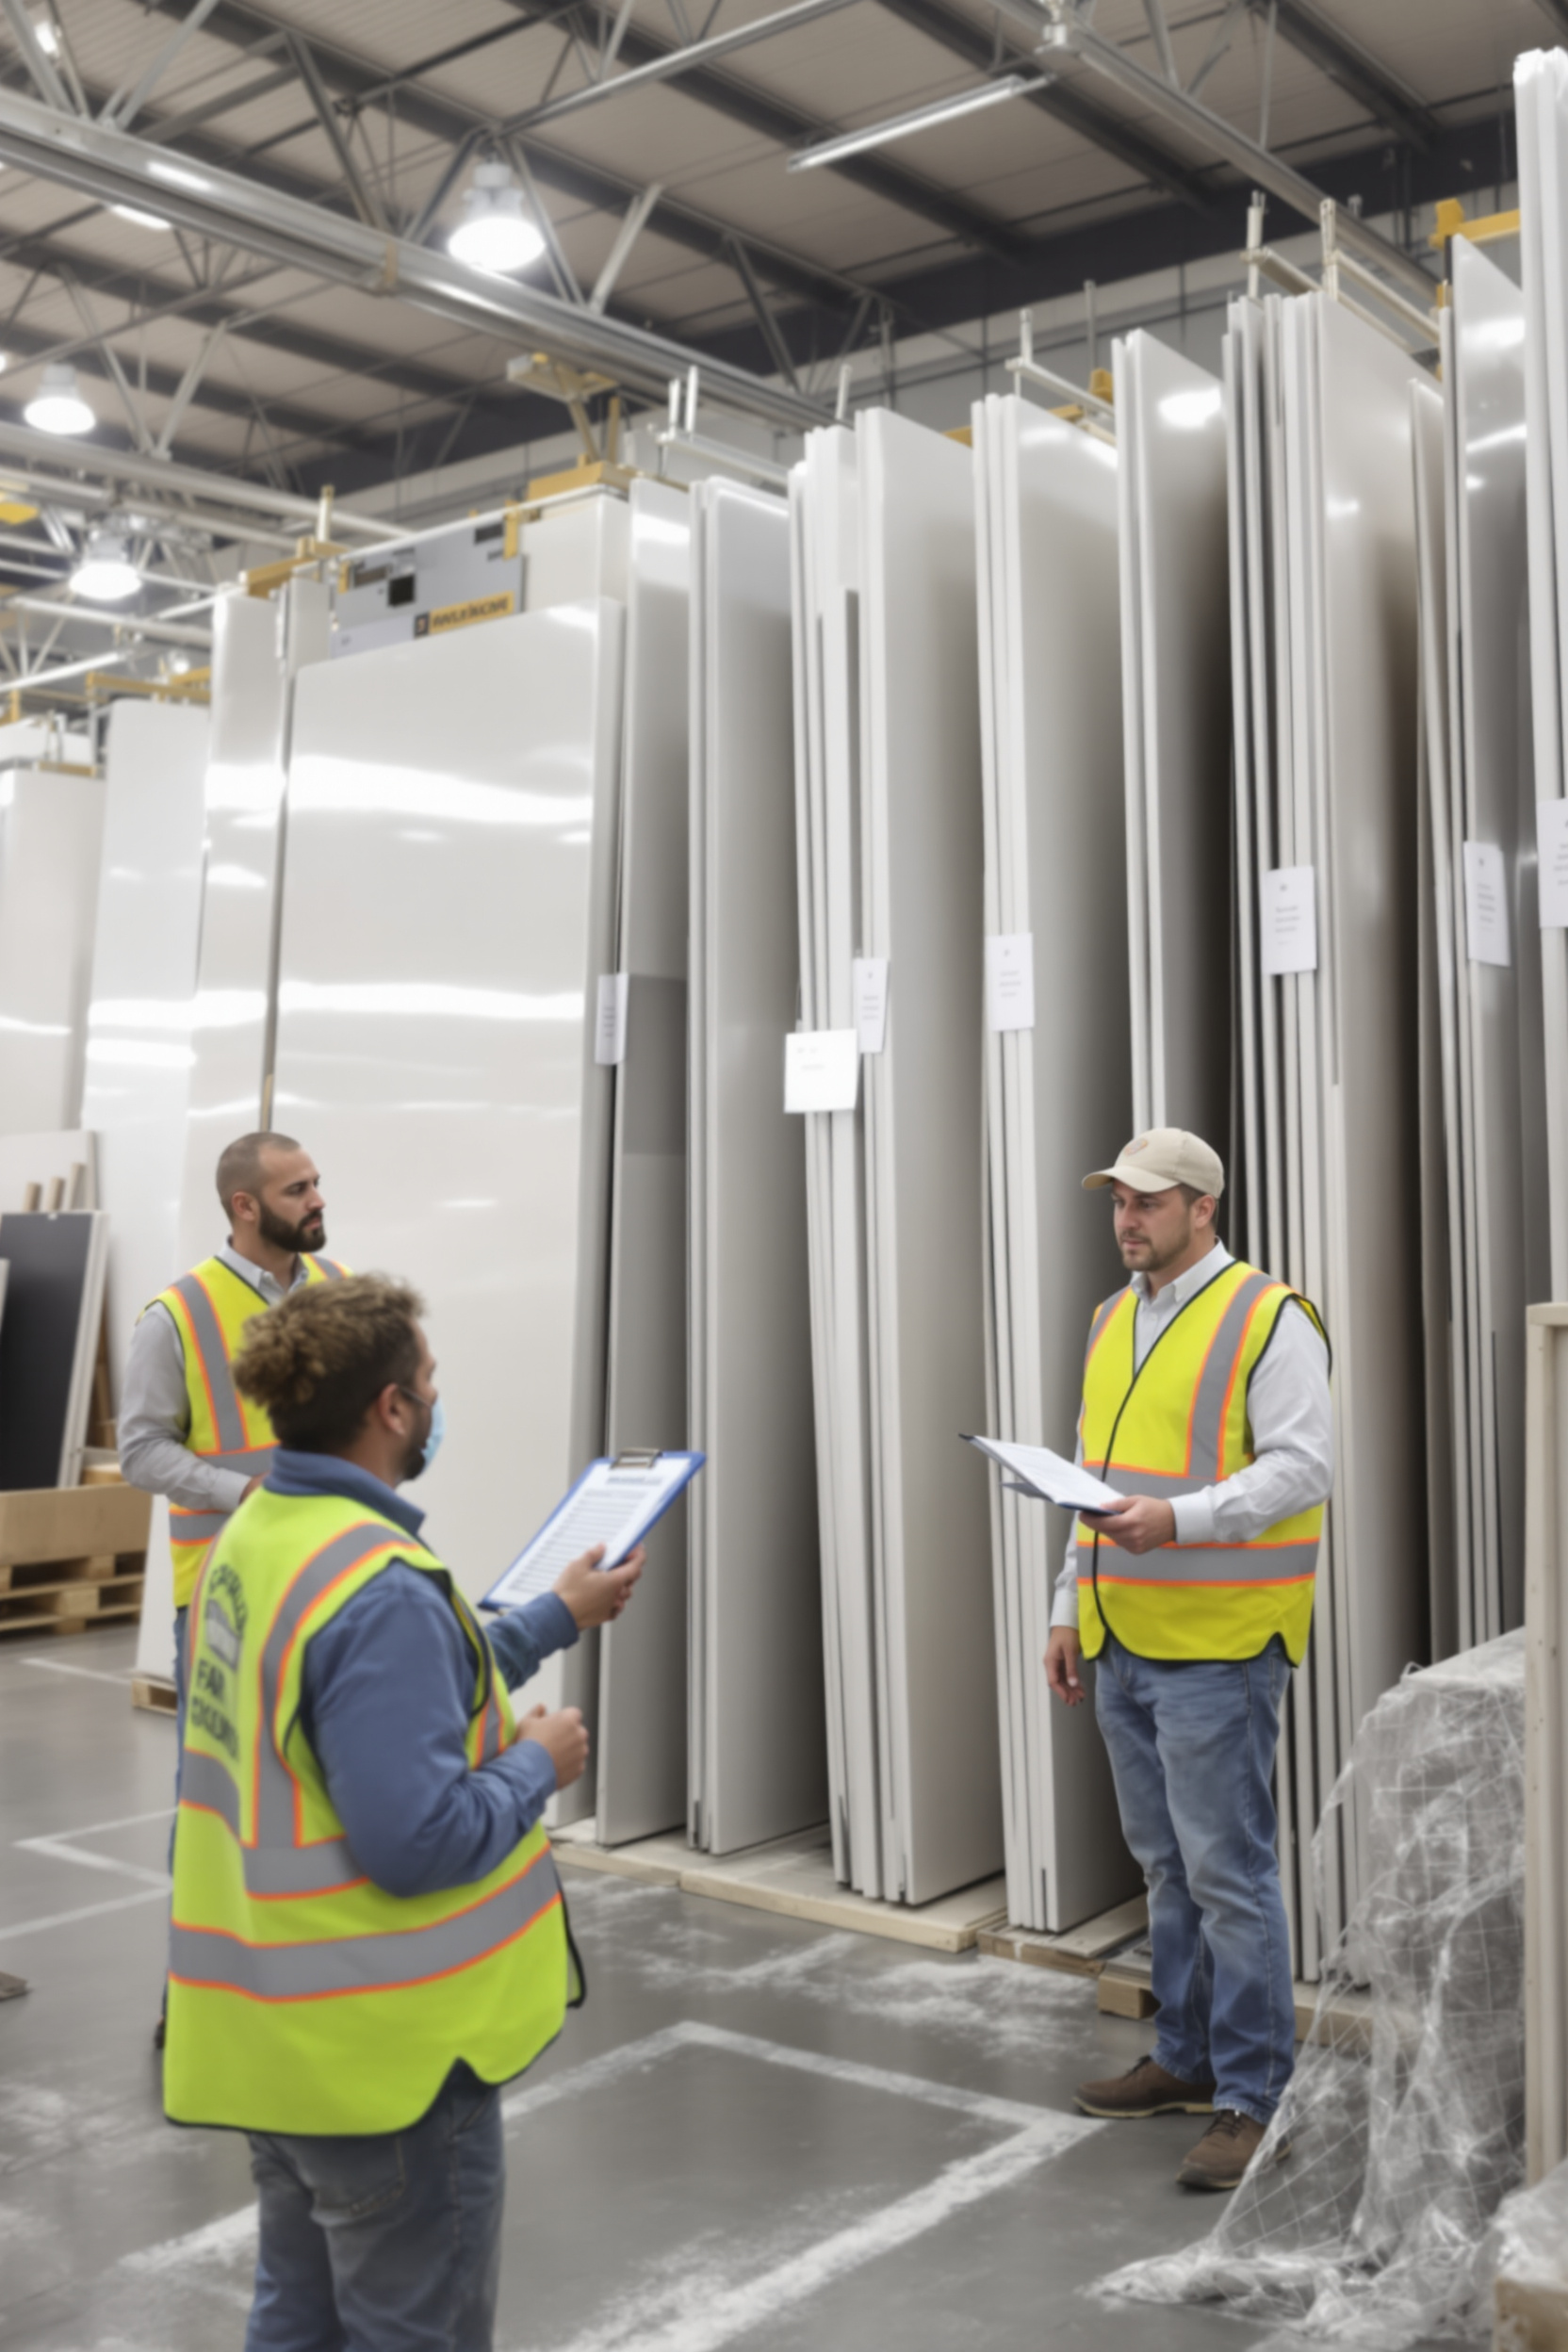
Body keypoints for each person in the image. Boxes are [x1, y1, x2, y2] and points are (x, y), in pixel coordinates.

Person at [163, 1273, 643, 2352]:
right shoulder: (377, 1584)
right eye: (426, 1381)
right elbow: (414, 1839)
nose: (435, 1396)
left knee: (295, 2317)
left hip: (277, 2040)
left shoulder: (266, 1534)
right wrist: (536, 1765)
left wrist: (553, 1617)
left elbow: (384, 1702)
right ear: (390, 1409)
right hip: (384, 2066)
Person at [1044, 1128, 1331, 2194]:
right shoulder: (1112, 1318)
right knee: (1167, 1870)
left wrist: (1183, 1519)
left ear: (1202, 1209)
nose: (1126, 1219)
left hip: (1217, 1647)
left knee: (1226, 1874)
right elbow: (1090, 1474)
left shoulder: (1269, 1316)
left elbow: (1303, 1468)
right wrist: (1067, 1605)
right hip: (1121, 1636)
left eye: (1148, 1203)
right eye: (1117, 1201)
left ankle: (1257, 2101)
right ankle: (1184, 2056)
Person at [120, 1131, 348, 1642]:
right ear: (244, 1205)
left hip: (338, 1572)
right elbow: (140, 1452)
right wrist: (244, 1490)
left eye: (315, 1183)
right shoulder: (175, 1316)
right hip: (227, 1592)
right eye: (296, 1190)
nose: (318, 1200)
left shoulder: (344, 1289)